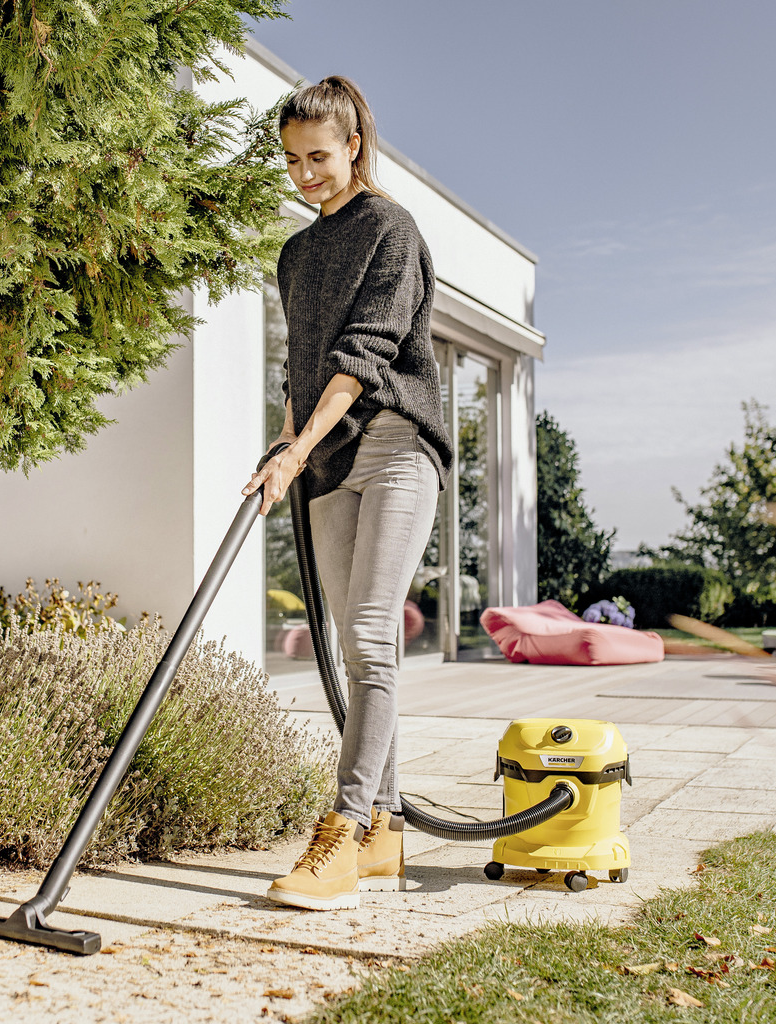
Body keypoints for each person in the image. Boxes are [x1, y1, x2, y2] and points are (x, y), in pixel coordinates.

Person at [242, 76, 452, 911]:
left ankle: (343, 827)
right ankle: (383, 838)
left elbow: (362, 357)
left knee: (368, 637)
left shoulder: (392, 231)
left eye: (319, 157)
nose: (305, 174)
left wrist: (297, 450)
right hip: (329, 459)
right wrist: (287, 444)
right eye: (292, 160)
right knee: (358, 650)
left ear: (354, 145)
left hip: (396, 448)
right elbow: (302, 366)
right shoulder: (296, 254)